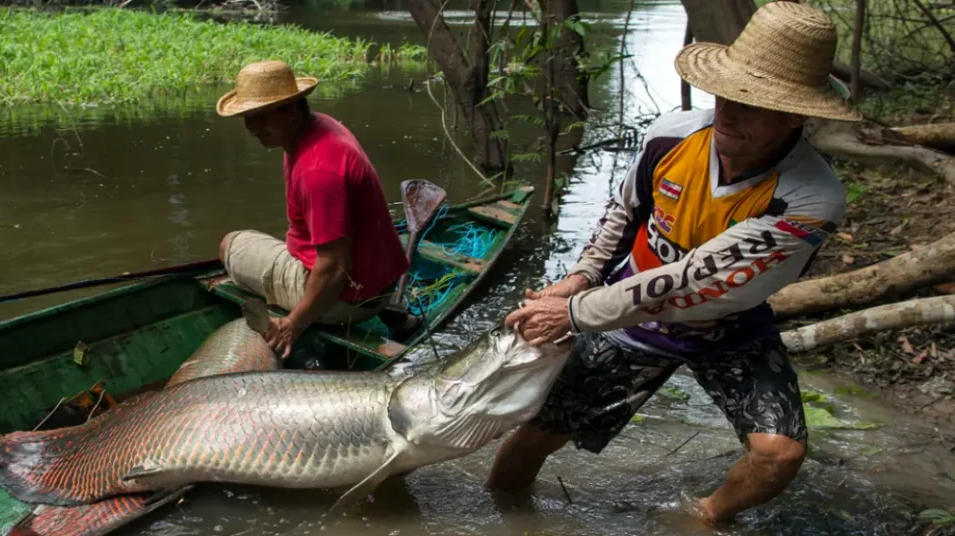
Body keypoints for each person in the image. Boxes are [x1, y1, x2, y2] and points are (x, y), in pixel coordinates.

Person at [487, 1, 863, 526]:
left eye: (752, 103)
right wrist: (580, 277)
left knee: (780, 454)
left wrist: (572, 313)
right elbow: (625, 212)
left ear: (795, 114)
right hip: (626, 318)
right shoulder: (674, 134)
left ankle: (702, 517)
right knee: (535, 438)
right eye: (726, 93)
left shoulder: (808, 198)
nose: (729, 111)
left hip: (727, 328)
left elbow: (692, 279)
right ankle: (506, 518)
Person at [215, 60, 420, 358]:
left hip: (344, 301)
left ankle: (319, 314)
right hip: (379, 288)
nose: (252, 128)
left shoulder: (318, 171)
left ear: (291, 109)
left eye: (261, 117)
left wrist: (293, 325)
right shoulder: (322, 125)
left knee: (228, 245)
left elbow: (335, 268)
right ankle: (388, 312)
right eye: (247, 117)